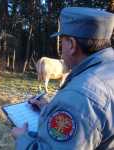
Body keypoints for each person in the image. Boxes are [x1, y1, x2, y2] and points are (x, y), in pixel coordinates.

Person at [11, 7, 114, 150]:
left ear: (71, 45)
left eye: (62, 41)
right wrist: (48, 109)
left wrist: (22, 138)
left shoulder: (80, 96)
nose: (61, 47)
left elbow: (81, 108)